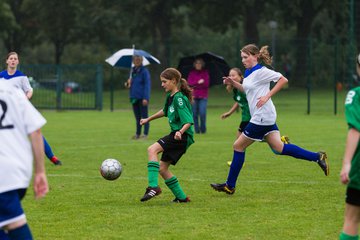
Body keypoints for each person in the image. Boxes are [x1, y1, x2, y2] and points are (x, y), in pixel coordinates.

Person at [210, 44, 329, 195]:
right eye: (242, 58)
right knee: (279, 148)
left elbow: (283, 79)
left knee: (238, 146)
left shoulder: (262, 71)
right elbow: (248, 90)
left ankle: (230, 185)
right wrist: (234, 83)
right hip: (264, 115)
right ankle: (318, 156)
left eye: (246, 57)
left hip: (262, 117)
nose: (243, 60)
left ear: (255, 56)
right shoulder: (248, 72)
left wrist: (268, 95)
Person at [0, 81, 49, 239]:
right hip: (18, 172)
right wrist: (40, 171)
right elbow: (36, 131)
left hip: (2, 177)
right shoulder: (11, 88)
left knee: (14, 223)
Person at [139, 68, 194, 203]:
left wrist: (180, 132)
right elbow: (164, 111)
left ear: (174, 81)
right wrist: (148, 119)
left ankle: (153, 187)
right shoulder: (170, 97)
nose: (162, 84)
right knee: (163, 169)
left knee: (152, 149)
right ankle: (182, 197)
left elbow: (188, 121)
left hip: (181, 136)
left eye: (164, 82)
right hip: (178, 135)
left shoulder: (179, 98)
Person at [0, 52, 62, 166]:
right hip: (5, 113)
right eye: (11, 58)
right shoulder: (1, 76)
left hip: (20, 111)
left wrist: (26, 98)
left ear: (18, 62)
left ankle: (52, 157)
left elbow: (29, 90)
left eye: (15, 59)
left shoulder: (22, 77)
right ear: (7, 61)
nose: (13, 60)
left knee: (35, 132)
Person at [222, 67, 291, 167]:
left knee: (239, 142)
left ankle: (237, 162)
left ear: (240, 76)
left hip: (251, 117)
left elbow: (252, 98)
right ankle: (281, 141)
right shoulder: (237, 89)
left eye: (233, 75)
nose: (231, 77)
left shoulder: (247, 86)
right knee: (269, 143)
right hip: (246, 117)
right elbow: (238, 101)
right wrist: (230, 112)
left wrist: (265, 97)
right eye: (230, 75)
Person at [339, 53, 360, 240]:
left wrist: (346, 163)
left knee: (352, 220)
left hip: (359, 170)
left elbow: (355, 130)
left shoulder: (356, 94)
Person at [125, 55, 151, 140]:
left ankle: (145, 134)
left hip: (142, 97)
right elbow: (130, 85)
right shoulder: (132, 71)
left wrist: (146, 98)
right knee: (137, 117)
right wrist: (127, 83)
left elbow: (147, 85)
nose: (137, 61)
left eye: (138, 60)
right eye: (135, 60)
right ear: (133, 61)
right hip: (134, 97)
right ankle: (138, 134)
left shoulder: (144, 71)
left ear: (141, 61)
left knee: (144, 116)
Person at [187, 57, 210, 134]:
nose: (198, 64)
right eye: (197, 63)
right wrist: (198, 82)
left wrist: (196, 84)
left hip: (203, 96)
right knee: (194, 113)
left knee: (202, 113)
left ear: (202, 64)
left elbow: (206, 84)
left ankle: (203, 129)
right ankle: (197, 130)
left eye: (200, 63)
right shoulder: (192, 73)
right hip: (193, 96)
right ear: (195, 64)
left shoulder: (205, 73)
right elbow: (189, 83)